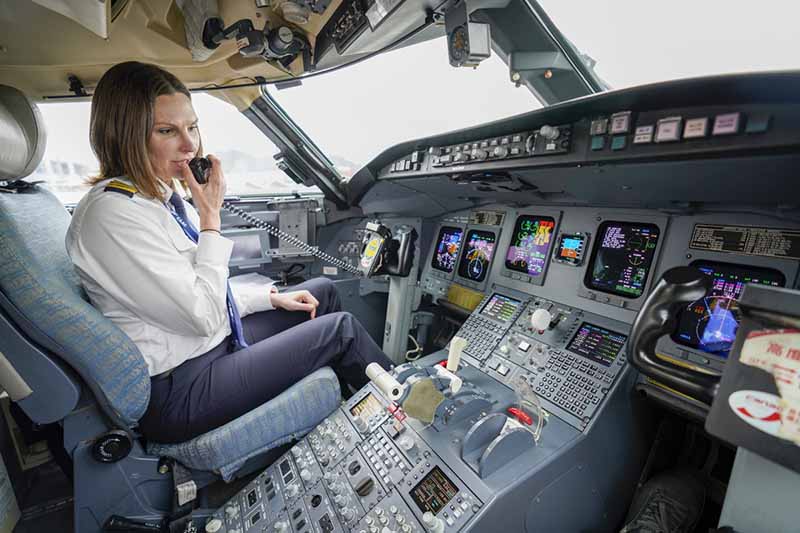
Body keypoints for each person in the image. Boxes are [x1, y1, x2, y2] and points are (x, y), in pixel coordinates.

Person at [66, 61, 393, 444]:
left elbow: (194, 291)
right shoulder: (113, 214)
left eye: (192, 127)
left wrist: (269, 298)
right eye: (167, 131)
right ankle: (415, 418)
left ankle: (359, 416)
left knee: (322, 292)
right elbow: (201, 315)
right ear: (125, 137)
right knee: (342, 332)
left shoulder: (156, 198)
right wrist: (210, 218)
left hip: (208, 348)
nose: (189, 145)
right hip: (180, 389)